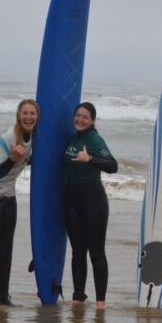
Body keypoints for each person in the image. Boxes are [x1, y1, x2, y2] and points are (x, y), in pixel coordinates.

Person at [0, 98, 39, 306]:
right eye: (25, 113)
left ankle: (4, 296)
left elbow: (29, 158)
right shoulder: (8, 138)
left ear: (37, 117)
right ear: (18, 115)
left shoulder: (34, 137)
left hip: (9, 196)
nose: (28, 117)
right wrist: (12, 158)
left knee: (7, 247)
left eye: (32, 113)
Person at [64, 102, 118, 310]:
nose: (80, 119)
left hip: (93, 202)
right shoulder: (72, 137)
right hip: (72, 203)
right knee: (78, 251)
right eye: (77, 115)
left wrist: (90, 159)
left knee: (96, 253)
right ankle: (78, 296)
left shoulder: (94, 139)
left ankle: (100, 302)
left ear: (93, 120)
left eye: (85, 117)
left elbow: (113, 166)